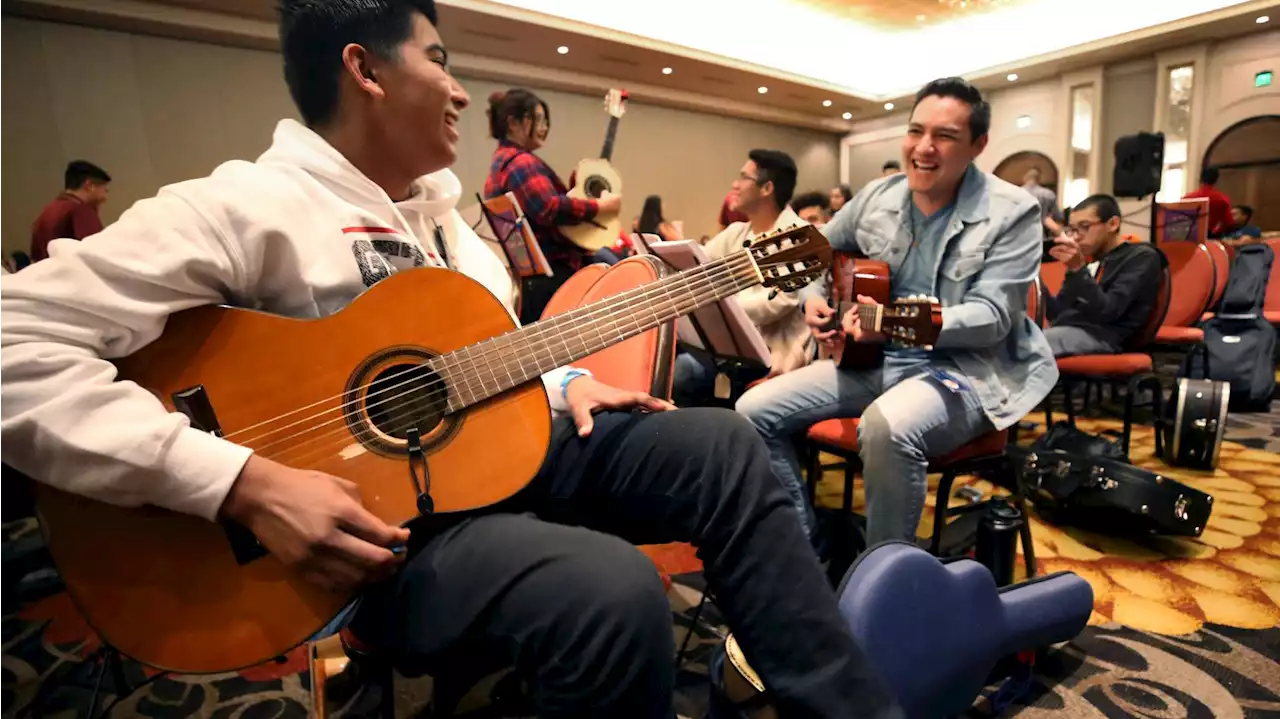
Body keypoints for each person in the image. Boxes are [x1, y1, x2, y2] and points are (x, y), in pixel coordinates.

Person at [0, 2, 902, 717]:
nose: (463, 91)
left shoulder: (452, 228)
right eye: (438, 58)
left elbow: (475, 357)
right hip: (368, 539)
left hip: (493, 459)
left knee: (725, 447)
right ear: (365, 69)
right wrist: (238, 483)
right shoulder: (243, 207)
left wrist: (563, 377)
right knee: (614, 592)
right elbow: (13, 346)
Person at [736, 77, 1056, 543]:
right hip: (873, 361)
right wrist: (812, 300)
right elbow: (812, 251)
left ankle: (883, 579)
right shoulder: (878, 196)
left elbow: (992, 318)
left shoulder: (1014, 212)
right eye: (915, 131)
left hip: (968, 371)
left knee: (886, 426)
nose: (924, 148)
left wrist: (887, 325)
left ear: (977, 145)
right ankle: (802, 549)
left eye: (944, 136)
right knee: (752, 410)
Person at [673, 150, 812, 407]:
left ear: (766, 188)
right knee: (672, 356)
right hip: (732, 350)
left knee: (683, 372)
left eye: (743, 177)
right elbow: (697, 266)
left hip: (772, 355)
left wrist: (719, 302)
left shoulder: (797, 238)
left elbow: (778, 301)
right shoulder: (737, 232)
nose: (734, 185)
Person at [483, 88, 623, 324]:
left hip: (531, 279)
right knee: (618, 275)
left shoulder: (501, 161)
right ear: (514, 123)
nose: (544, 127)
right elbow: (547, 208)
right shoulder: (521, 162)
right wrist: (599, 207)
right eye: (537, 119)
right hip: (553, 276)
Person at [1043, 194, 1162, 357]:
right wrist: (1033, 279)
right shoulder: (1090, 260)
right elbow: (1057, 315)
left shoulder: (1142, 257)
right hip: (1071, 330)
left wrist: (1078, 270)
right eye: (1072, 229)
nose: (1076, 236)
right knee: (1011, 337)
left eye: (1084, 226)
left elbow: (1108, 312)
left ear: (1113, 224)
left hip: (1107, 337)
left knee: (1028, 345)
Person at [30, 160, 112, 262]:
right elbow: (98, 254)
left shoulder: (47, 211)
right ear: (90, 186)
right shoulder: (81, 210)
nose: (105, 197)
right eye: (104, 189)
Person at [1182, 166, 1232, 238]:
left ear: (1200, 179)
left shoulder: (1187, 198)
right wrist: (1215, 232)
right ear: (1216, 180)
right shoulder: (1222, 199)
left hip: (1188, 235)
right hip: (1209, 235)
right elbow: (1228, 222)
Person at [1020, 167, 1063, 240]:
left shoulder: (1016, 193)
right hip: (1041, 235)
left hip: (1021, 235)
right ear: (1038, 179)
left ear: (1025, 178)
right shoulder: (1048, 194)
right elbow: (1058, 216)